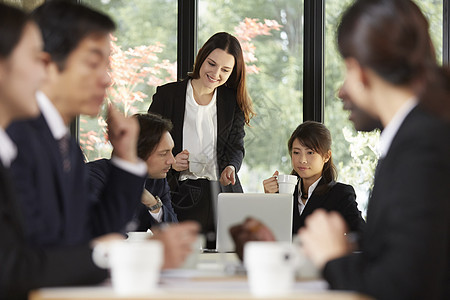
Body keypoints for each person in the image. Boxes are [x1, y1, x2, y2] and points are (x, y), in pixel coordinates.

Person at [298, 0, 450, 299]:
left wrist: (333, 260)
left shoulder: (422, 149)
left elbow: (402, 286)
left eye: (347, 70)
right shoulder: (419, 135)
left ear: (362, 71)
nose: (342, 91)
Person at [6, 1, 149, 247]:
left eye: (107, 65)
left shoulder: (64, 143)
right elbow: (28, 257)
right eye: (93, 64)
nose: (106, 79)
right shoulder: (15, 136)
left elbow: (94, 231)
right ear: (47, 63)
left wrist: (125, 158)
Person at [148, 32, 254, 248]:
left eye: (225, 70)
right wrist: (171, 161)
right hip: (182, 194)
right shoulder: (168, 96)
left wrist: (231, 167)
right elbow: (148, 144)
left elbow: (236, 146)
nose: (216, 73)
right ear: (201, 57)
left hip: (223, 194)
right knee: (185, 263)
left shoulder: (232, 102)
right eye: (212, 64)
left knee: (229, 263)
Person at [262, 121, 365, 235]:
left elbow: (362, 236)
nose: (302, 160)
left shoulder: (340, 194)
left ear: (326, 156)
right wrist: (270, 200)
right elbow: (269, 236)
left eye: (310, 152)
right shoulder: (283, 193)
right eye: (296, 152)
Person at [88, 113, 178, 231]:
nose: (172, 160)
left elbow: (173, 230)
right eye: (163, 154)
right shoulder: (94, 176)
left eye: (171, 151)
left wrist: (152, 203)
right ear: (137, 153)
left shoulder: (158, 181)